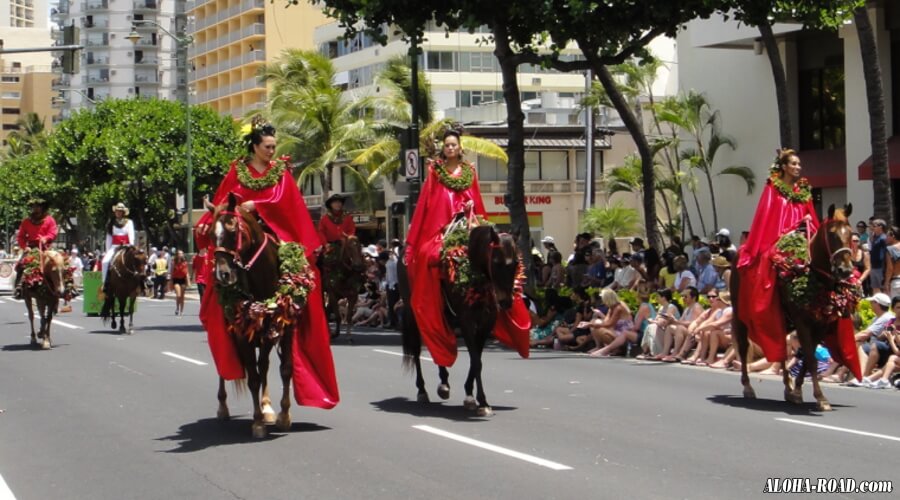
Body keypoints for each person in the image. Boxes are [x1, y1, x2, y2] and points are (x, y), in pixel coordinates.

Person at [194, 117, 338, 410]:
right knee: (216, 282)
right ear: (255, 146)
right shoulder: (237, 171)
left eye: (274, 146)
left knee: (305, 277)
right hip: (240, 238)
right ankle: (225, 343)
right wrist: (212, 222)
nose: (272, 151)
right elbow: (222, 205)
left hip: (276, 234)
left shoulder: (281, 172)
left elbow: (290, 207)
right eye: (267, 146)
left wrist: (257, 206)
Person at [405, 128, 530, 367]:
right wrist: (414, 241)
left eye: (454, 144)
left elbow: (478, 200)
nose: (450, 148)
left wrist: (477, 218)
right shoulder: (435, 171)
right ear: (443, 148)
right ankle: (438, 309)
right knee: (430, 257)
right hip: (442, 228)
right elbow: (425, 204)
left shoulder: (470, 171)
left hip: (468, 224)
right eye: (447, 145)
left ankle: (504, 305)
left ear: (460, 148)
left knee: (498, 257)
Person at [736, 149, 824, 368]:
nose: (797, 167)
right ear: (784, 166)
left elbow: (812, 217)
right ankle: (771, 310)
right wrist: (783, 236)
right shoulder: (773, 188)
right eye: (793, 164)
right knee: (770, 265)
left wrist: (808, 226)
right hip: (777, 238)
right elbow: (766, 217)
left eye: (798, 164)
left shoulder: (803, 190)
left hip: (802, 237)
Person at [15, 198, 58, 298]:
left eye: (37, 206)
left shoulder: (50, 220)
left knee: (60, 263)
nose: (35, 209)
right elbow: (20, 236)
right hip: (31, 248)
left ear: (42, 207)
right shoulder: (26, 221)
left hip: (45, 247)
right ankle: (19, 287)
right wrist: (25, 247)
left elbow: (53, 232)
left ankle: (67, 287)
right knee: (21, 265)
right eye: (33, 207)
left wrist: (46, 238)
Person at [101, 202, 136, 293]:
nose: (118, 212)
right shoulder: (111, 222)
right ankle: (105, 283)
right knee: (105, 262)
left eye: (120, 211)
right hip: (115, 246)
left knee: (137, 261)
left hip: (126, 245)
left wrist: (131, 245)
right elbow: (109, 237)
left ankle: (141, 282)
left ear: (123, 212)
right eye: (117, 211)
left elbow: (131, 234)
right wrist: (107, 250)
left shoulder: (129, 222)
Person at [169, 249, 189, 316]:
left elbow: (186, 272)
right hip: (176, 280)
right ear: (177, 255)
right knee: (178, 295)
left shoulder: (185, 263)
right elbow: (171, 272)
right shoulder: (173, 262)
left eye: (182, 253)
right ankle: (177, 308)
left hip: (183, 280)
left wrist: (188, 281)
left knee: (182, 297)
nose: (181, 255)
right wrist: (170, 281)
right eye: (180, 253)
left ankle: (182, 311)